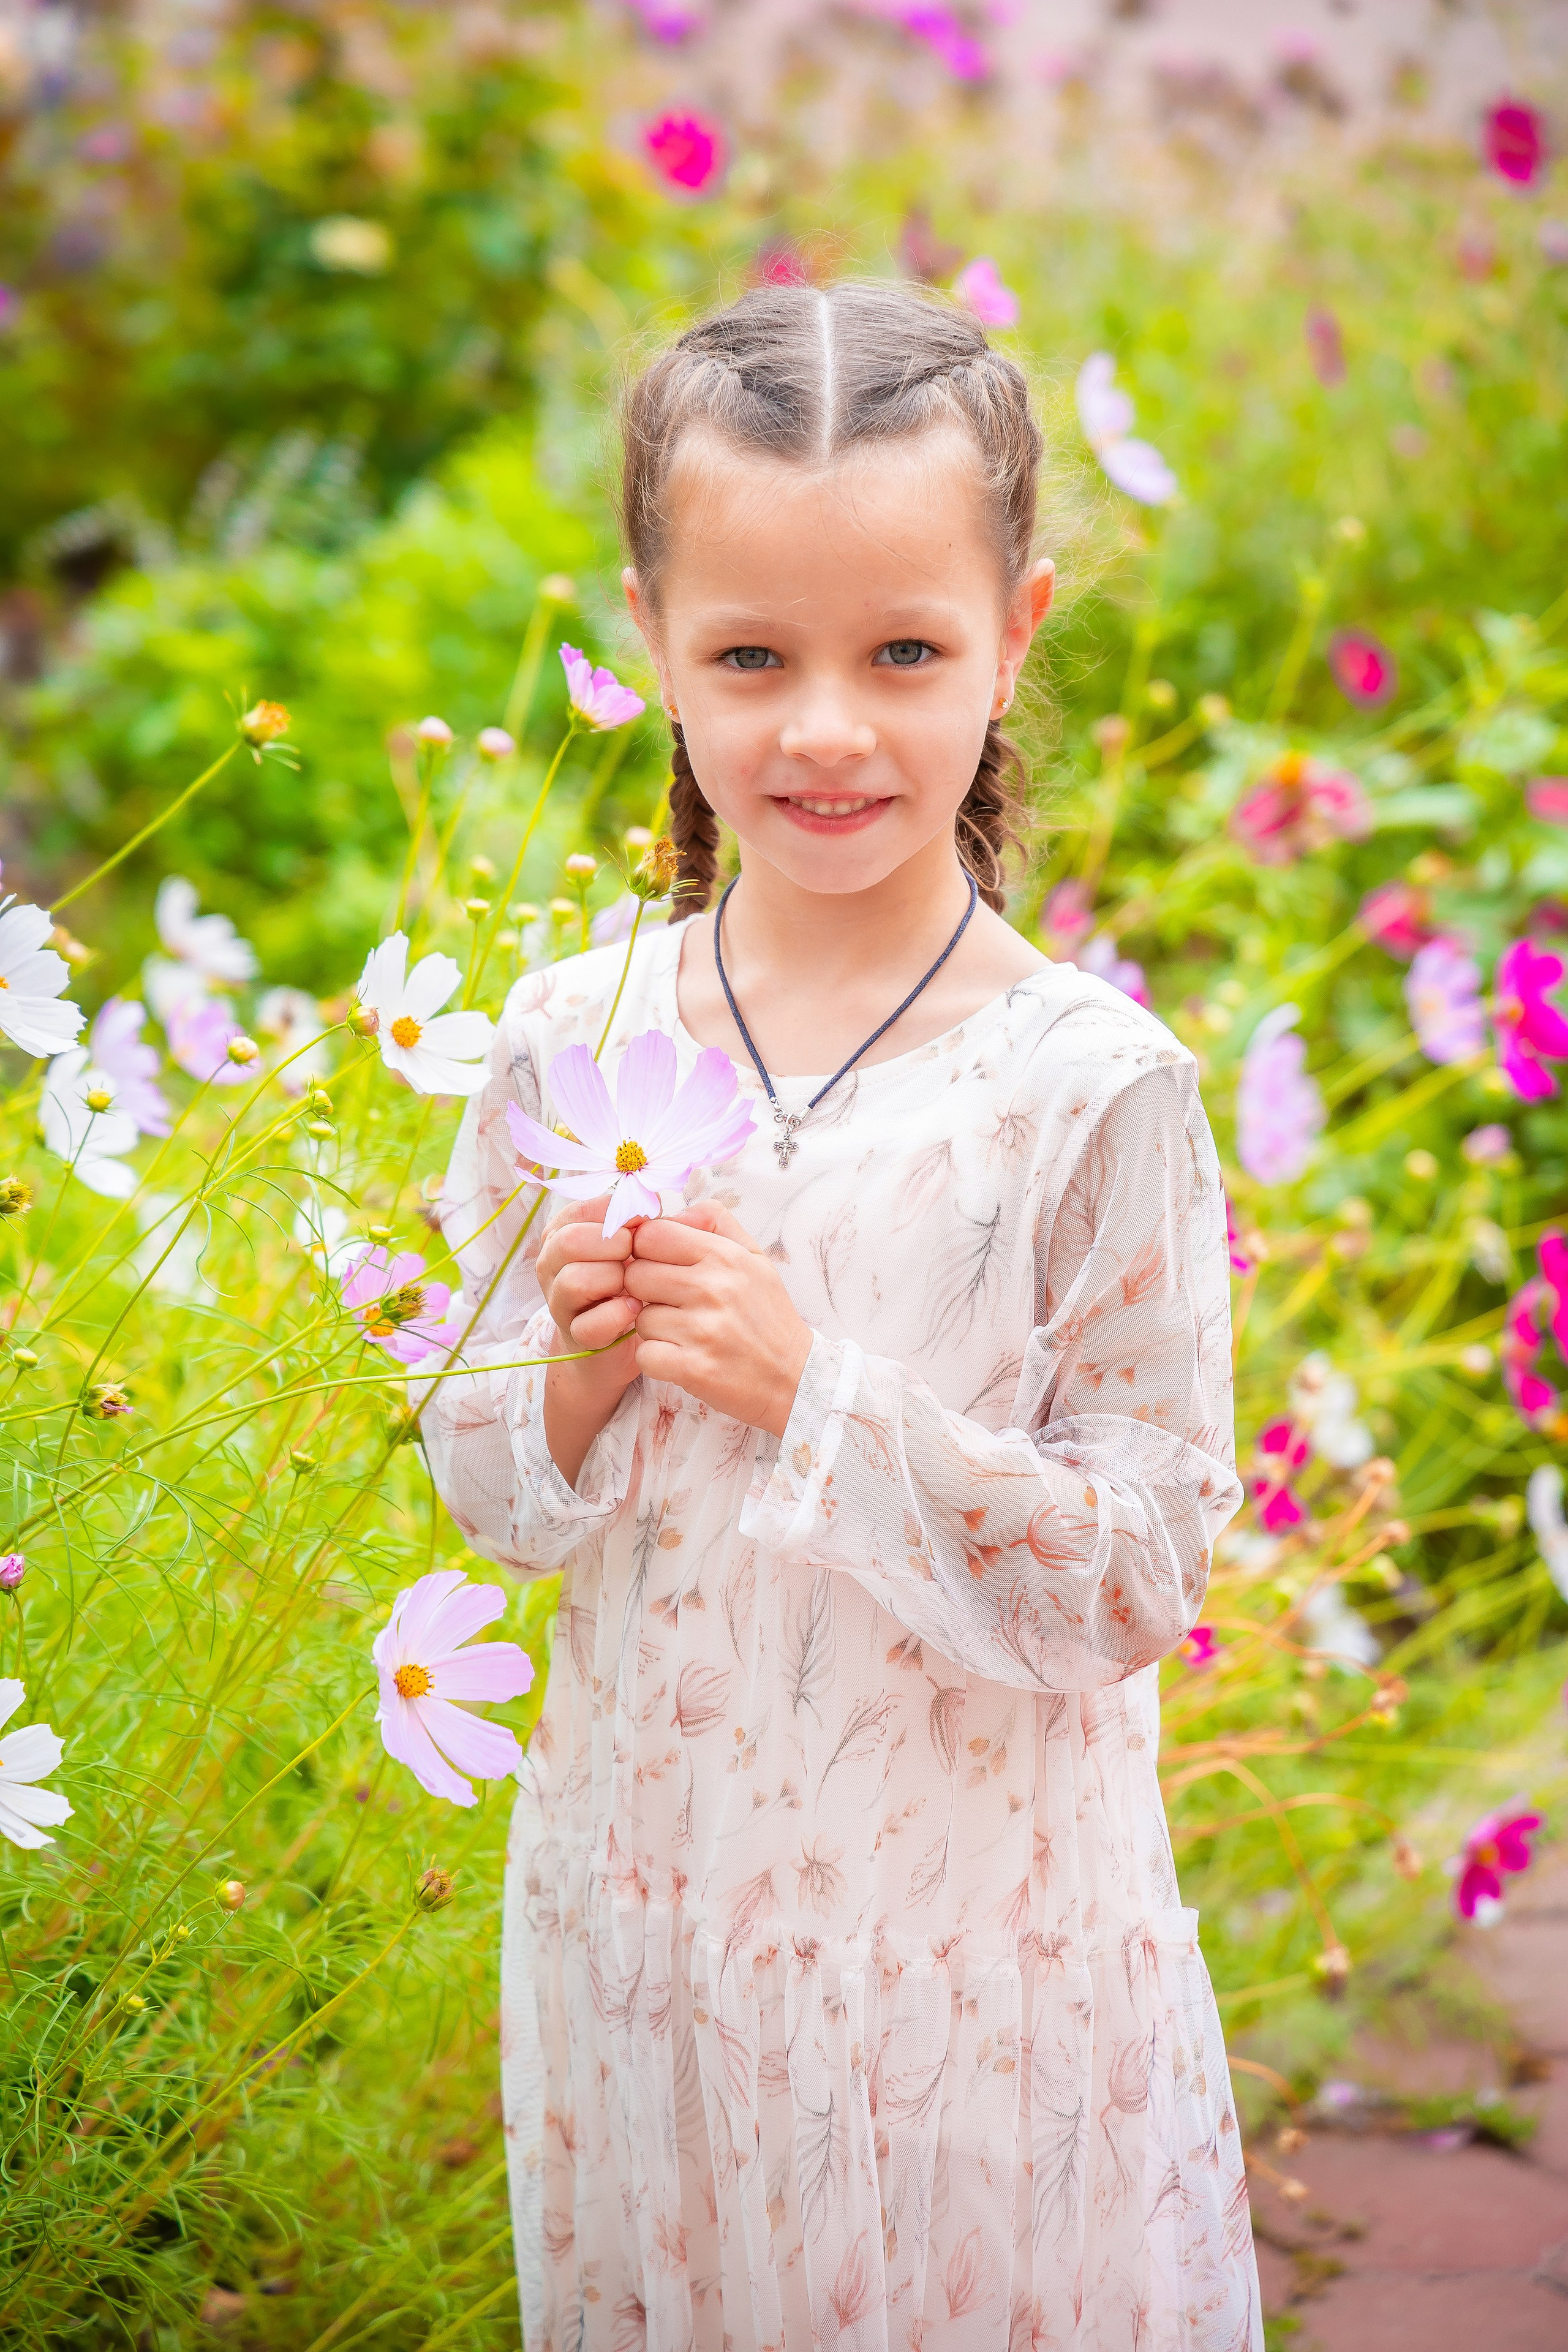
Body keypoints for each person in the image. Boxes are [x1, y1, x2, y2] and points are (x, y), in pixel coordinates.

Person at [424, 281, 1261, 2352]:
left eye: (904, 651)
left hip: (976, 1948)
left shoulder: (1091, 1083)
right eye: (749, 656)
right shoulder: (570, 1036)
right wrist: (591, 1362)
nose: (825, 727)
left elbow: (1140, 1565)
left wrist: (822, 1395)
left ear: (1019, 628)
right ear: (651, 641)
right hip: (652, 1920)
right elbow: (484, 1481)